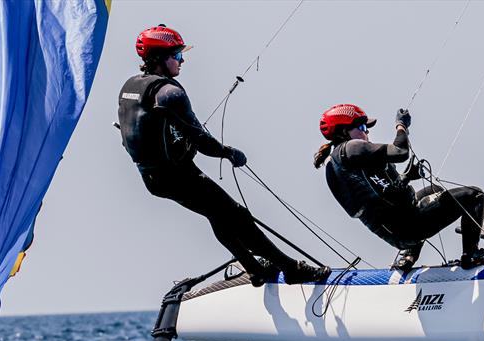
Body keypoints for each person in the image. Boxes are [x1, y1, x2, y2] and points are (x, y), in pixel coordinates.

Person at [117, 25, 330, 286]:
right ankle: (291, 269)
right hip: (176, 176)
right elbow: (204, 142)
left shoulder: (130, 86)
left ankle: (254, 269)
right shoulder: (170, 93)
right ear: (160, 58)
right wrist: (229, 153)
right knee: (237, 215)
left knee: (218, 214)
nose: (182, 61)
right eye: (177, 55)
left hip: (151, 178)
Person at [313, 103, 484, 271]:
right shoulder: (352, 148)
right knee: (474, 196)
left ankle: (409, 256)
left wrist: (407, 177)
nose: (366, 133)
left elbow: (383, 196)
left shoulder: (336, 164)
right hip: (410, 227)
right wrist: (401, 125)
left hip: (395, 232)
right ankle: (471, 255)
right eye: (362, 127)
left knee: (433, 189)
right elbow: (400, 152)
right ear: (344, 132)